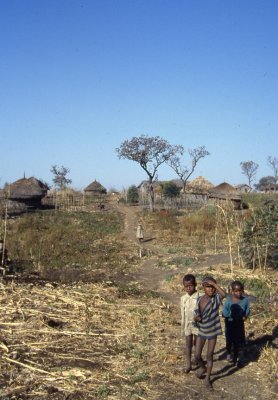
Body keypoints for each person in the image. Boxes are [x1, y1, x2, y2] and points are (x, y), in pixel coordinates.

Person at [194, 276, 226, 389]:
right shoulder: (199, 299)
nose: (211, 289)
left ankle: (207, 378)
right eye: (208, 287)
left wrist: (215, 284)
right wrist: (197, 317)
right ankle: (203, 368)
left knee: (209, 355)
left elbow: (224, 294)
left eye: (213, 287)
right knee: (197, 355)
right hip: (202, 330)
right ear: (203, 287)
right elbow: (196, 311)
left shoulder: (216, 299)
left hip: (212, 331)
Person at [222, 280, 250, 367]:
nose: (238, 293)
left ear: (243, 291)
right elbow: (224, 312)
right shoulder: (228, 301)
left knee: (237, 341)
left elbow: (247, 310)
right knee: (229, 340)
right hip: (230, 323)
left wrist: (245, 316)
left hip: (239, 324)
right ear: (232, 291)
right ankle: (229, 353)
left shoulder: (245, 300)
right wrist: (230, 315)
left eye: (240, 291)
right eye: (236, 291)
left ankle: (236, 358)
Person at [180, 274, 200, 373]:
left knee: (197, 343)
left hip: (198, 325)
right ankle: (188, 364)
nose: (188, 288)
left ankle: (197, 359)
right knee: (188, 344)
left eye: (191, 285)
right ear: (184, 286)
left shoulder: (200, 297)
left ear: (195, 284)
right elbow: (182, 314)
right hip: (187, 325)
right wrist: (183, 327)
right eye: (186, 286)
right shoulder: (183, 298)